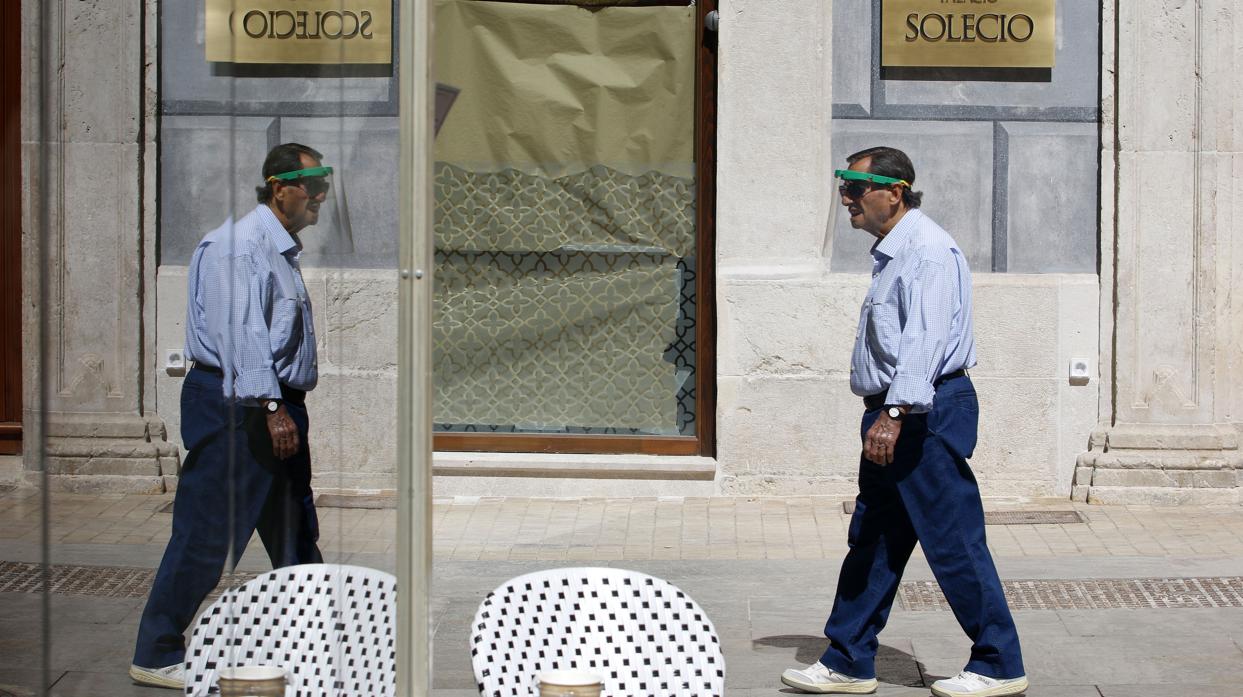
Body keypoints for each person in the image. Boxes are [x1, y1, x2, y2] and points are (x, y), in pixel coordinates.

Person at [780, 147, 1027, 697]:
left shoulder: (928, 251)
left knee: (954, 541)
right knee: (874, 538)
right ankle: (848, 659)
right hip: (898, 411)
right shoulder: (896, 251)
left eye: (854, 187)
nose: (845, 198)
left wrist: (895, 411)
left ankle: (998, 663)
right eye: (842, 187)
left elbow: (925, 339)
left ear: (893, 192)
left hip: (923, 411)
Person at [129, 143, 332, 689]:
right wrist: (271, 408)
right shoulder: (238, 248)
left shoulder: (276, 250)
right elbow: (241, 336)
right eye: (311, 182)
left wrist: (281, 407)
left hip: (275, 405)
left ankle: (313, 644)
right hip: (240, 407)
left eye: (325, 183)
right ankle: (156, 651)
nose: (320, 194)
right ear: (278, 186)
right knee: (207, 533)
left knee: (294, 535)